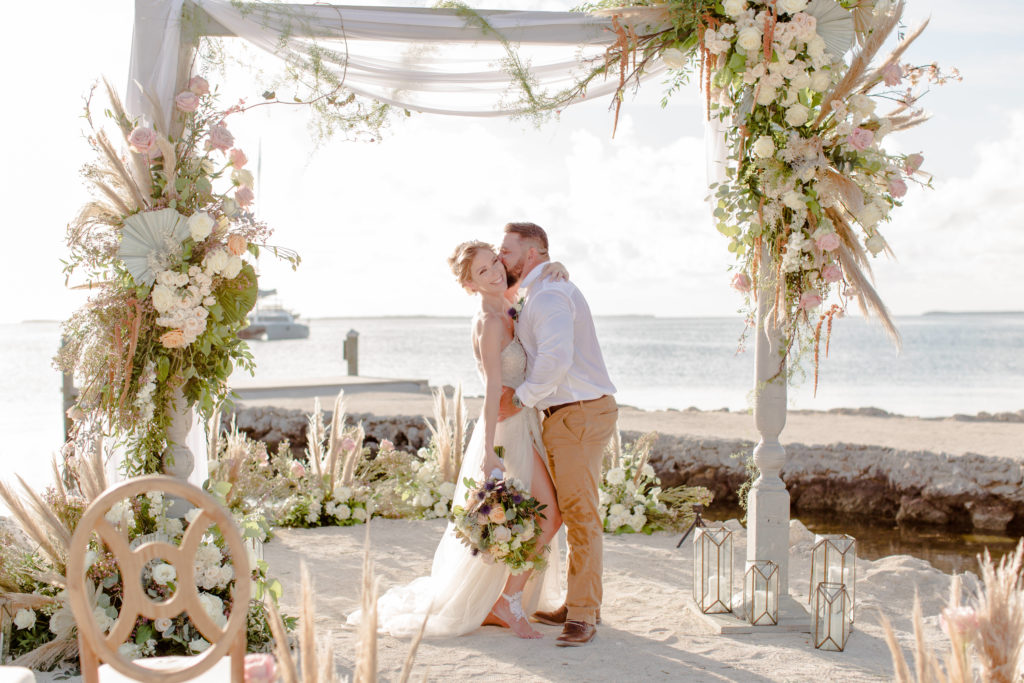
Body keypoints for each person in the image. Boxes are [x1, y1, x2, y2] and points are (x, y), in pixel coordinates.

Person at [348, 241, 565, 639]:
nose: (496, 272)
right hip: (507, 431)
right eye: (483, 272)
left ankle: (506, 599)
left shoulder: (507, 302)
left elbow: (531, 283)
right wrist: (486, 455)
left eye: (495, 263)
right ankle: (507, 601)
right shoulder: (490, 323)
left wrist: (555, 269)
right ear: (470, 285)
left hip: (525, 422)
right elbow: (490, 391)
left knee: (532, 517)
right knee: (548, 514)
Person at [497, 222, 618, 647]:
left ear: (532, 253)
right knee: (570, 509)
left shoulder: (548, 293)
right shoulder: (541, 288)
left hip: (577, 414)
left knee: (580, 513)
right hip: (568, 414)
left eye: (506, 251)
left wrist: (522, 399)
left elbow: (557, 358)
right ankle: (580, 601)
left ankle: (582, 614)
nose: (500, 258)